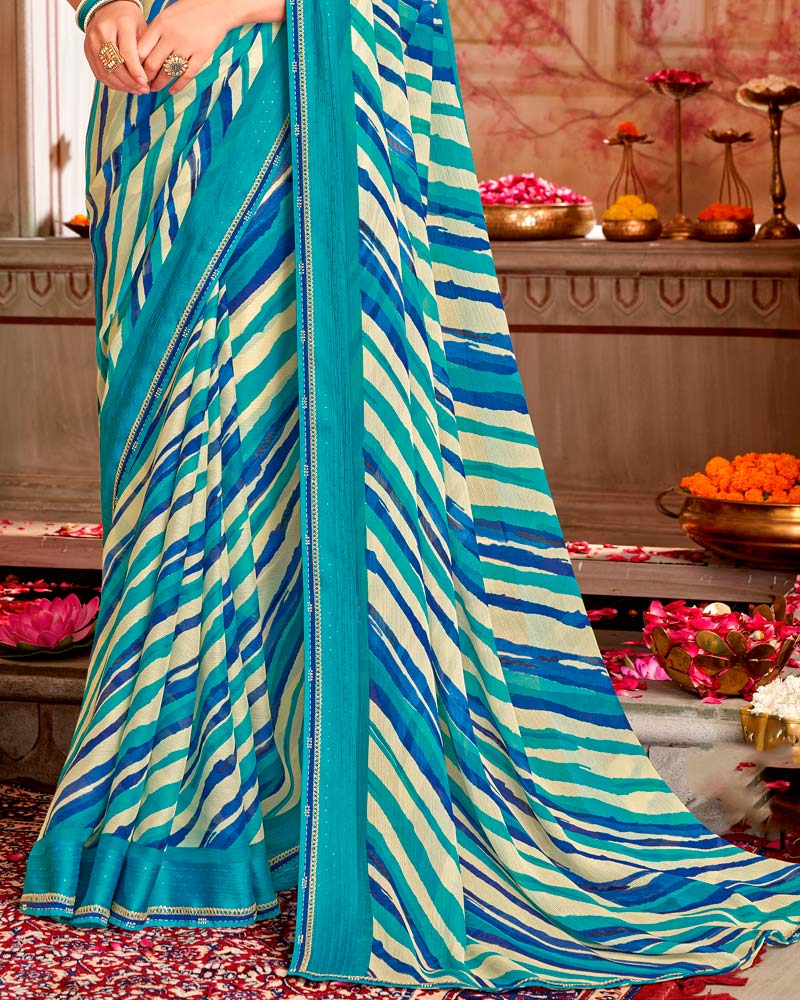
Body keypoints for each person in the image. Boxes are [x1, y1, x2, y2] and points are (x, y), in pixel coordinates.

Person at [20, 0, 800, 992]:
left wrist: (224, 9)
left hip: (297, 119)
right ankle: (181, 812)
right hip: (154, 133)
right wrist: (105, 12)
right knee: (168, 469)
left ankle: (298, 813)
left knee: (290, 456)